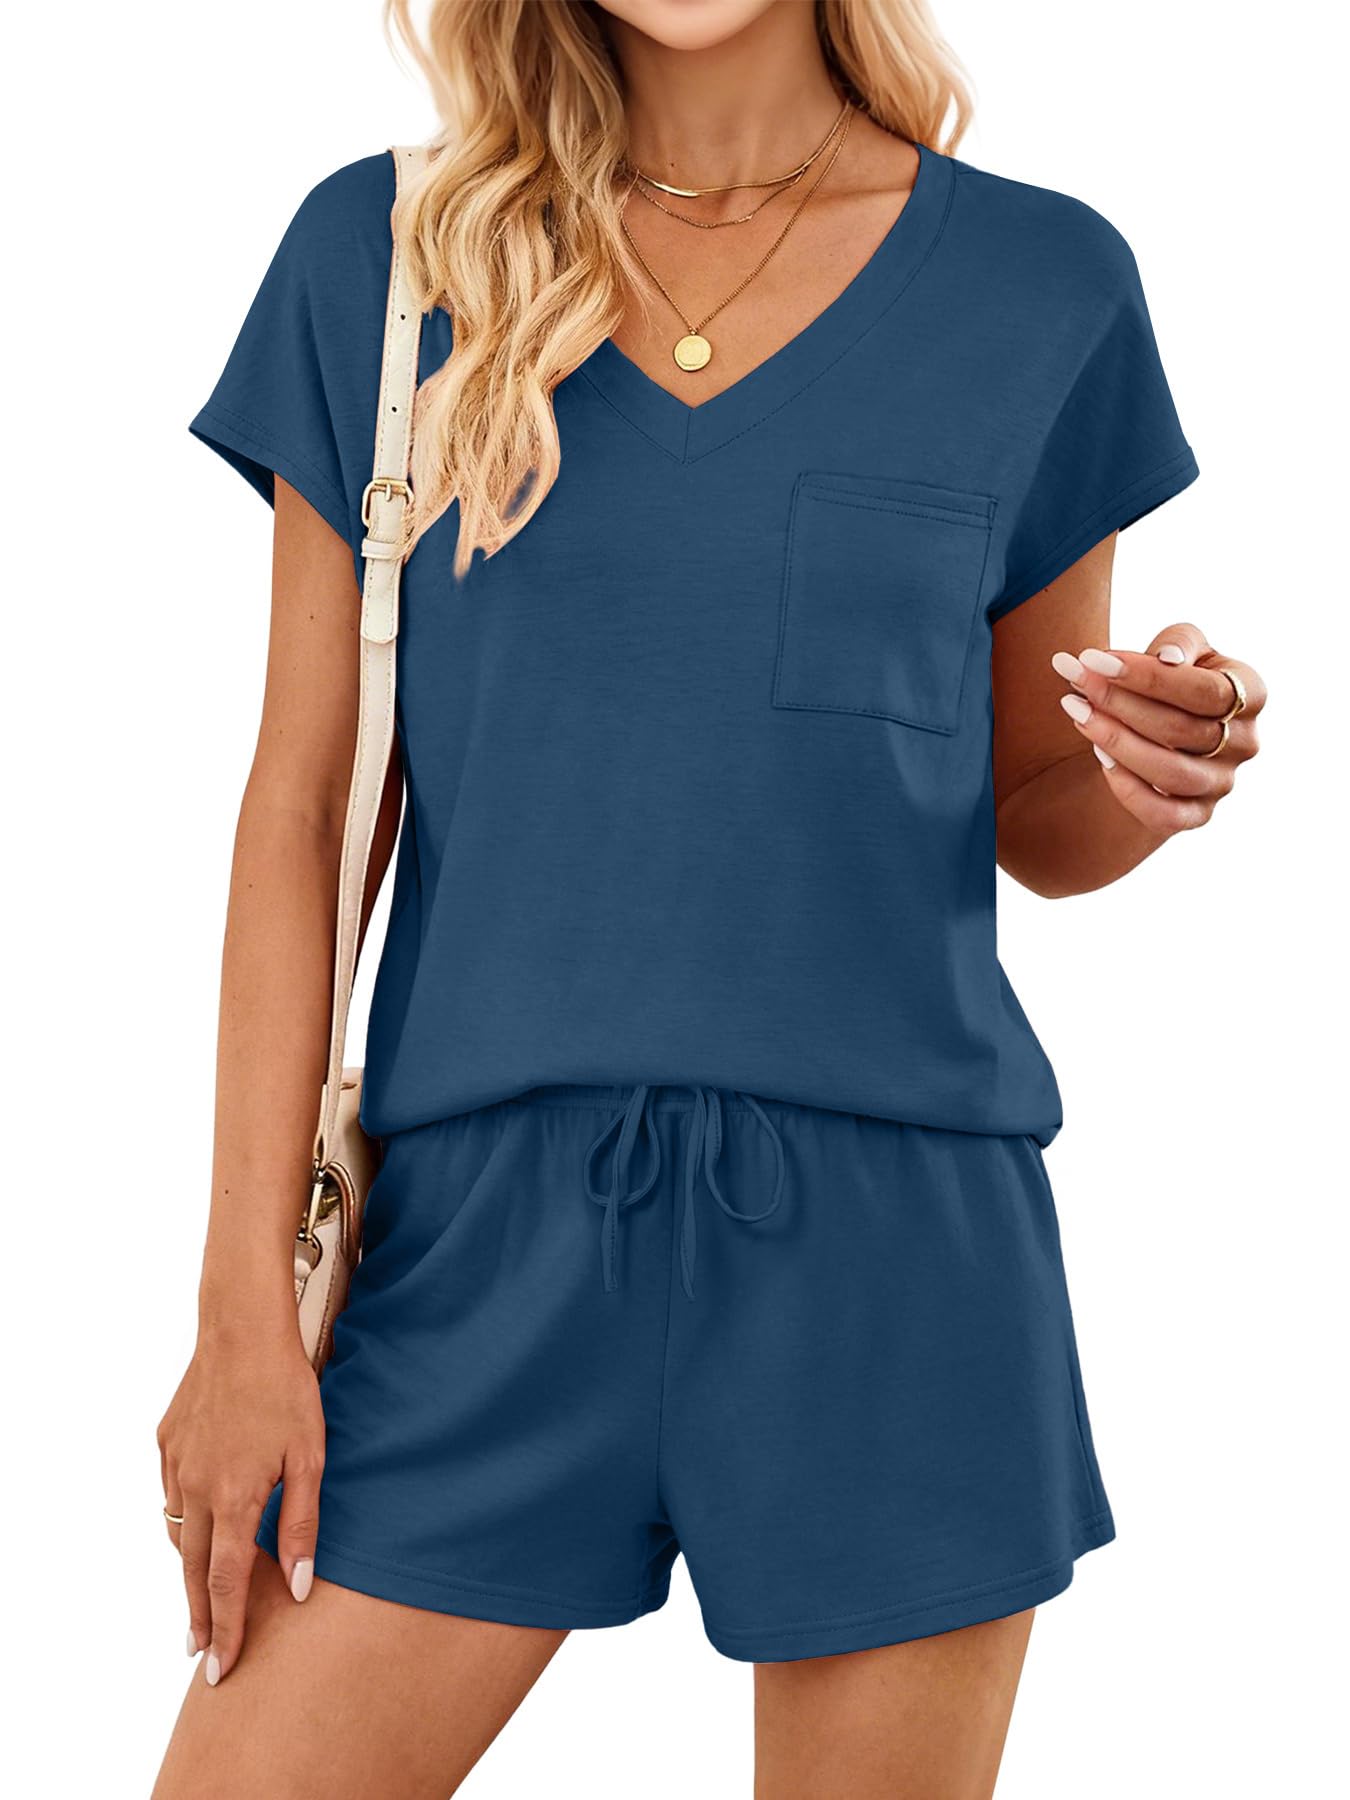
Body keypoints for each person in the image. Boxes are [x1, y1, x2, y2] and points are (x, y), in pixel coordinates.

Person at [153, 2, 1265, 1794]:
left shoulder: (1041, 283)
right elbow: (302, 815)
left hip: (896, 1259)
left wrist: (1159, 763)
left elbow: (1032, 811)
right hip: (473, 1252)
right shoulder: (388, 258)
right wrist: (236, 1321)